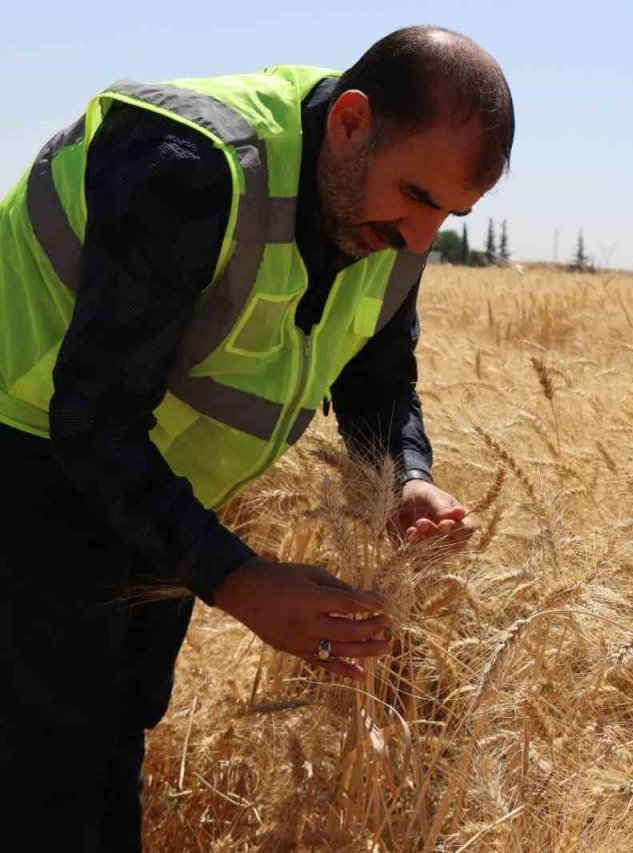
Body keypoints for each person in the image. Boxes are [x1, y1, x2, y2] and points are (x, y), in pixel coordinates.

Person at [0, 25, 514, 850]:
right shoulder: (188, 167)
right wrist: (240, 581)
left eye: (450, 215)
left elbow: (376, 375)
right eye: (417, 197)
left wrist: (406, 474)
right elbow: (92, 418)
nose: (423, 238)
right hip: (30, 451)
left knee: (117, 729)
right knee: (50, 762)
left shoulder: (388, 216)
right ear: (350, 121)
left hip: (152, 482)